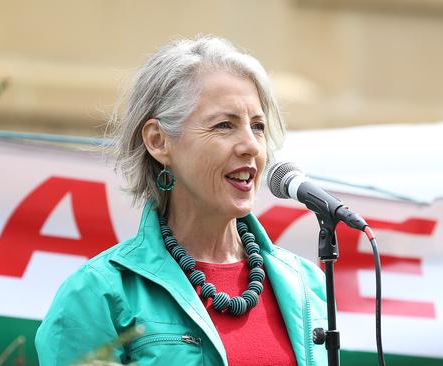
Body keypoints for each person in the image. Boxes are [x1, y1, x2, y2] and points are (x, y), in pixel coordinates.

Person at [35, 36, 327, 365]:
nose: (251, 146)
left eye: (258, 126)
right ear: (159, 142)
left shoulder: (308, 284)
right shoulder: (98, 292)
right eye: (224, 125)